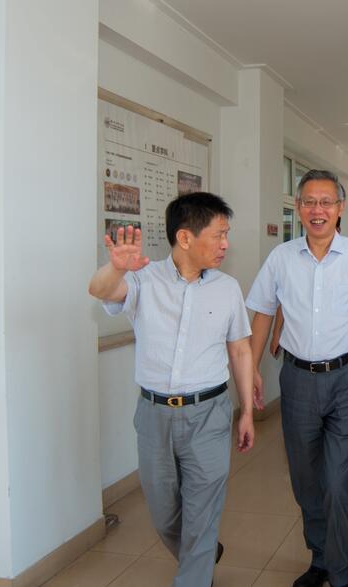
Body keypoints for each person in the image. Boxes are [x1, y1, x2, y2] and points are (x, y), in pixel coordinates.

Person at [88, 193, 255, 587]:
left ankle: (196, 572)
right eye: (218, 235)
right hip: (154, 415)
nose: (225, 244)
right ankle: (202, 552)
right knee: (164, 512)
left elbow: (240, 350)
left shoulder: (227, 288)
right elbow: (100, 290)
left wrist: (247, 411)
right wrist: (116, 268)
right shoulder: (143, 279)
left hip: (209, 413)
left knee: (203, 509)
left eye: (226, 235)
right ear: (185, 237)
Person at [246, 169, 348, 587]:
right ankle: (320, 557)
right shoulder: (281, 258)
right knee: (306, 480)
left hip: (347, 379)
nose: (317, 210)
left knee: (338, 483)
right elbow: (262, 313)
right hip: (298, 380)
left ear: (340, 208)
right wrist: (250, 369)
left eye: (326, 202)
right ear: (298, 207)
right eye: (309, 202)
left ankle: (341, 574)